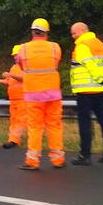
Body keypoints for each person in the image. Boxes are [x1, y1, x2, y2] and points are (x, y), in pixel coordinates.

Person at [17, 18, 65, 170]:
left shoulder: (23, 49)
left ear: (32, 32)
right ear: (47, 32)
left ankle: (32, 161)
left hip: (33, 95)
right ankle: (58, 160)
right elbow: (56, 63)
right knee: (54, 126)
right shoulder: (55, 47)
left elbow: (21, 66)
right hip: (53, 94)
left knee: (35, 127)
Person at [69, 22, 103, 165]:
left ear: (83, 31)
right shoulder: (100, 44)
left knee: (85, 123)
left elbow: (90, 66)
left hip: (85, 91)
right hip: (101, 91)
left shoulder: (82, 46)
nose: (73, 36)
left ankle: (85, 155)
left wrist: (101, 79)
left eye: (74, 33)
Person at [0, 45, 26, 149]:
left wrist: (10, 75)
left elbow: (24, 78)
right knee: (14, 120)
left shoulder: (26, 66)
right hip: (13, 100)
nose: (15, 57)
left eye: (17, 55)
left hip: (23, 99)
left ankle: (15, 140)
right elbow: (11, 82)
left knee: (20, 120)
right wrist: (1, 81)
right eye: (14, 55)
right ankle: (13, 140)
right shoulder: (14, 67)